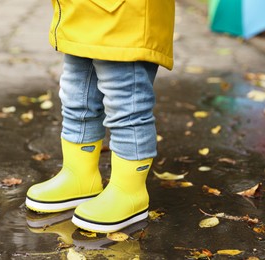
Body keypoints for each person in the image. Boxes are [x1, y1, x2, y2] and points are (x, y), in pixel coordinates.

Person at [26, 0, 175, 233]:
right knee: (77, 94)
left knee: (126, 100)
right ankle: (79, 177)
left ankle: (129, 192)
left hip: (126, 13)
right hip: (80, 10)